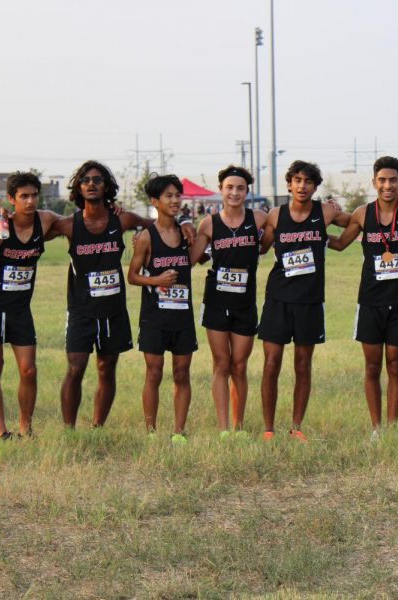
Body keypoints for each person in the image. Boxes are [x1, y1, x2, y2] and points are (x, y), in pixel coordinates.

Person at [57, 160, 194, 428]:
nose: (92, 184)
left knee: (106, 369)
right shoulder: (68, 225)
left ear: (106, 185)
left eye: (98, 179)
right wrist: (3, 215)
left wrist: (187, 220)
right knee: (75, 369)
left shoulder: (123, 219)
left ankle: (98, 427)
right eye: (86, 180)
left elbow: (158, 222)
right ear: (78, 187)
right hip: (81, 309)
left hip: (113, 309)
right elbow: (34, 223)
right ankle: (69, 429)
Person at [329, 156, 398, 438]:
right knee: (373, 365)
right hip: (370, 300)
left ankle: (392, 425)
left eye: (393, 180)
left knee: (395, 364)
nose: (387, 185)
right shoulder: (364, 213)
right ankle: (376, 427)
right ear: (374, 182)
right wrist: (311, 233)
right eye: (382, 180)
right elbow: (340, 244)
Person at [257, 161, 350, 441]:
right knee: (271, 363)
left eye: (308, 181)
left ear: (315, 186)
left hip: (309, 300)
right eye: (297, 180)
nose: (302, 185)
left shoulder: (325, 212)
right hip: (278, 299)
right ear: (289, 184)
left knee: (302, 364)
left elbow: (359, 221)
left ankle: (296, 427)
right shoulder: (275, 215)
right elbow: (261, 248)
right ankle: (269, 429)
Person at [0, 172, 62, 439]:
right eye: (23, 196)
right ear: (11, 199)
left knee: (28, 370)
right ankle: (2, 433)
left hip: (20, 310)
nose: (30, 201)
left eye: (33, 195)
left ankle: (25, 429)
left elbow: (81, 222)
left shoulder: (45, 221)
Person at [191, 165, 269, 439]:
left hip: (245, 302)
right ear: (221, 190)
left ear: (247, 192)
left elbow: (286, 227)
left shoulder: (259, 218)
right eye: (229, 187)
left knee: (239, 364)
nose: (234, 193)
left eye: (240, 188)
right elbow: (191, 259)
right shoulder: (209, 223)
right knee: (221, 363)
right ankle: (224, 427)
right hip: (216, 300)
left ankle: (238, 425)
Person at [127, 175, 197, 443]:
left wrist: (189, 223)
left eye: (178, 195)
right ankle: (151, 431)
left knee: (182, 372)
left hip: (182, 317)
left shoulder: (186, 234)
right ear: (155, 201)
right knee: (154, 372)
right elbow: (132, 276)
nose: (175, 200)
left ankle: (179, 432)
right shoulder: (146, 237)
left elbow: (204, 250)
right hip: (155, 316)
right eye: (168, 196)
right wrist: (155, 280)